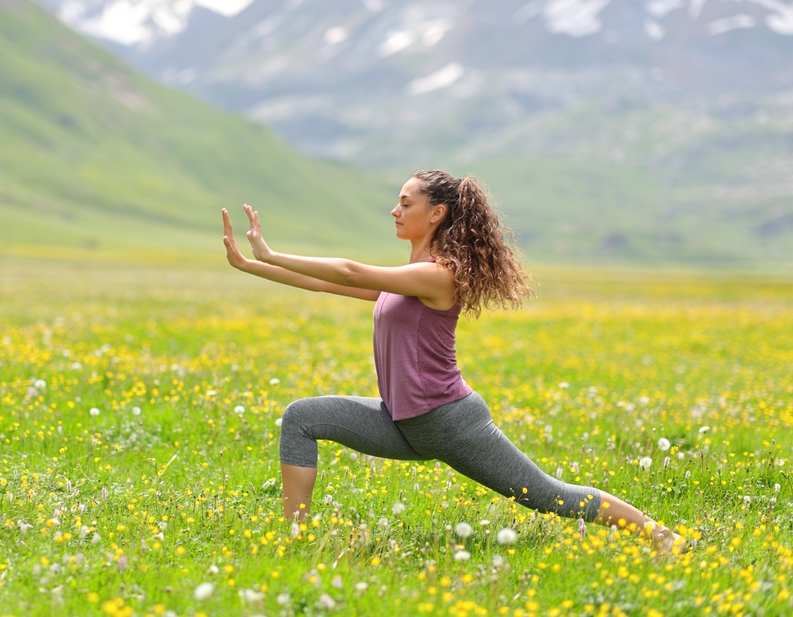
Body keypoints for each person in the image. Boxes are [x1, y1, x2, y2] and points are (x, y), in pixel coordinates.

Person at [221, 170, 679, 553]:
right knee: (301, 418)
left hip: (449, 422)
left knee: (548, 496)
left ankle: (661, 536)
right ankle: (295, 538)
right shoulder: (407, 278)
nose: (395, 211)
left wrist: (271, 252)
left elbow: (349, 271)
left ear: (436, 213)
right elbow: (332, 285)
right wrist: (251, 265)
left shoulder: (439, 275)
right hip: (401, 421)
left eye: (405, 203)